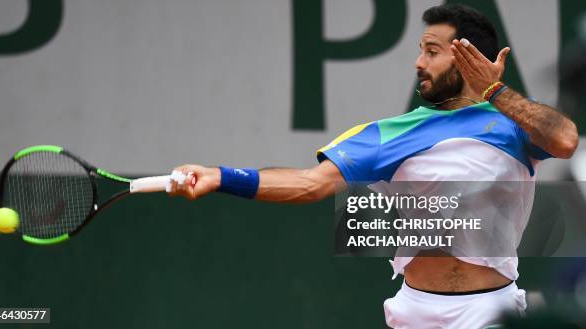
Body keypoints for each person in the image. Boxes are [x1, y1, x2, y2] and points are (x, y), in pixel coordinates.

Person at [166, 4, 579, 328]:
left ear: (469, 58)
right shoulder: (386, 133)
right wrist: (221, 176)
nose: (419, 63)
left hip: (489, 310)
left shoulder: (514, 125)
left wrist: (496, 90)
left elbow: (564, 140)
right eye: (420, 51)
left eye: (432, 52)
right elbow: (310, 184)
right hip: (414, 310)